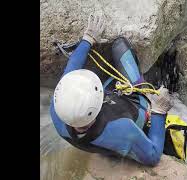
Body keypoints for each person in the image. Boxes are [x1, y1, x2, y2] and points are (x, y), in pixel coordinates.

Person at [50, 13, 173, 166]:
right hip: (134, 109)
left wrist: (87, 39)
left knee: (113, 73)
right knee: (120, 46)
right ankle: (146, 86)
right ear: (99, 101)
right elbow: (153, 157)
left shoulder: (57, 110)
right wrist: (159, 112)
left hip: (106, 127)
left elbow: (70, 70)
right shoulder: (122, 130)